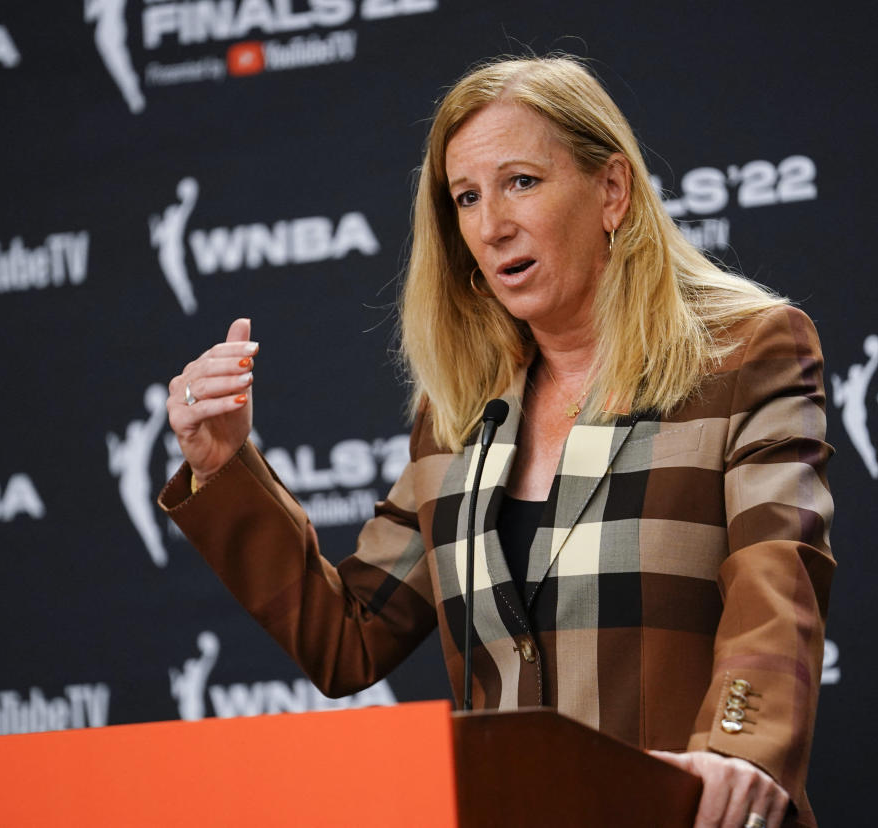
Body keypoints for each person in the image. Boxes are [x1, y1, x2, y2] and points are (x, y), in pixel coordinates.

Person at [160, 55, 834, 828]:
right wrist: (221, 465)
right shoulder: (457, 414)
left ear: (611, 190)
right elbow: (349, 637)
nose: (492, 225)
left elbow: (777, 575)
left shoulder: (745, 354)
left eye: (522, 182)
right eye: (467, 198)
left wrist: (740, 751)